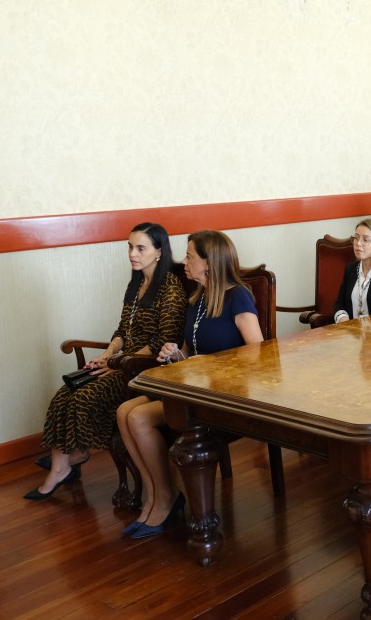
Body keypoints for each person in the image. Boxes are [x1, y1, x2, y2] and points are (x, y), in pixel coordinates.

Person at [116, 230, 264, 537]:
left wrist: (206, 364)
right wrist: (176, 354)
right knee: (124, 412)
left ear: (209, 263)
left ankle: (167, 499)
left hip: (225, 394)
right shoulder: (197, 298)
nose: (184, 261)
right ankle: (158, 494)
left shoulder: (237, 296)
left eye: (190, 256)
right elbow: (190, 351)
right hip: (192, 388)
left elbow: (259, 353)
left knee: (139, 418)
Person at [26, 222, 187, 500]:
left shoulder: (171, 288)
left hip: (145, 368)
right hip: (123, 360)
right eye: (130, 246)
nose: (132, 254)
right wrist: (107, 354)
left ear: (159, 252)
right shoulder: (137, 282)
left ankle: (69, 460)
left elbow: (165, 340)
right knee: (65, 392)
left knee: (83, 396)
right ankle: (67, 460)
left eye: (140, 248)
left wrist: (117, 362)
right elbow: (123, 330)